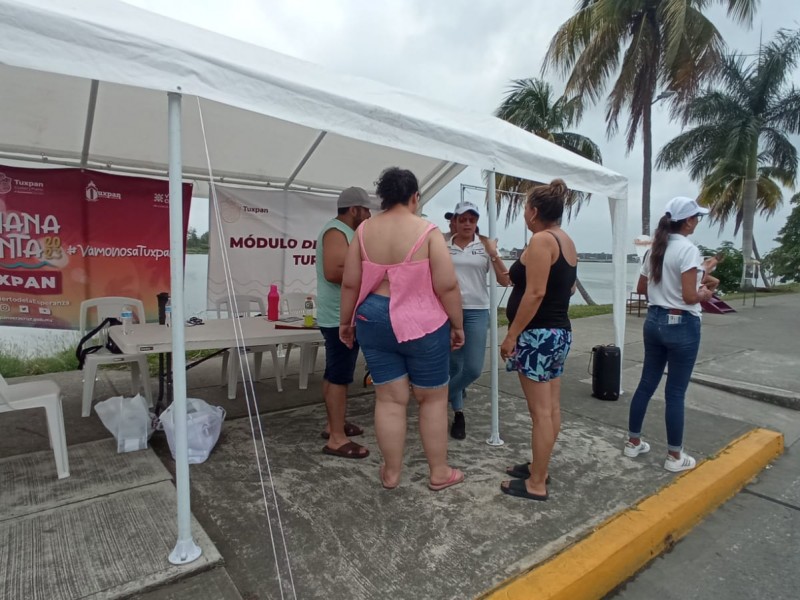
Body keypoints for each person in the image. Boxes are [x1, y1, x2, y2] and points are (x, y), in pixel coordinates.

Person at [339, 167, 466, 491]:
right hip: (422, 322)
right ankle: (438, 473)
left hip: (373, 320)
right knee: (432, 400)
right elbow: (447, 286)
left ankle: (392, 472)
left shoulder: (364, 231)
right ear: (414, 197)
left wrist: (346, 322)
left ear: (383, 198)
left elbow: (351, 283)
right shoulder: (427, 231)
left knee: (390, 401)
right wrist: (457, 324)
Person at [499, 179, 577, 501]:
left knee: (540, 414)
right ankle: (539, 467)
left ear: (533, 211)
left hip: (538, 336)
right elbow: (568, 288)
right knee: (551, 409)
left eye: (524, 209)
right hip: (558, 332)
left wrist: (512, 334)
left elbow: (536, 292)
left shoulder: (543, 241)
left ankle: (537, 483)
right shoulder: (565, 241)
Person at [623, 197, 714, 472]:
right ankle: (675, 457)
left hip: (654, 320)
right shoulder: (688, 250)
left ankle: (633, 442)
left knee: (646, 384)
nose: (698, 221)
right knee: (675, 392)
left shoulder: (656, 249)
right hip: (682, 324)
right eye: (696, 217)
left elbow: (641, 287)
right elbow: (689, 295)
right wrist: (705, 294)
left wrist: (665, 292)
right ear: (687, 221)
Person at [315, 186, 379, 459]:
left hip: (343, 314)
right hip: (337, 316)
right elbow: (333, 271)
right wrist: (375, 276)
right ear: (354, 209)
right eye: (366, 210)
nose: (368, 215)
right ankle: (336, 440)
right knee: (339, 376)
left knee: (336, 373)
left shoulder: (347, 233)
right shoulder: (336, 231)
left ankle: (334, 426)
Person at [446, 201, 511, 439]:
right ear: (455, 221)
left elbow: (505, 281)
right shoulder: (445, 246)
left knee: (472, 368)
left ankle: (438, 396)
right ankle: (458, 413)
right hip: (449, 312)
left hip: (476, 312)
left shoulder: (484, 246)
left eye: (471, 220)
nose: (467, 224)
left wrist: (493, 253)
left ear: (476, 223)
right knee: (454, 366)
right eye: (462, 219)